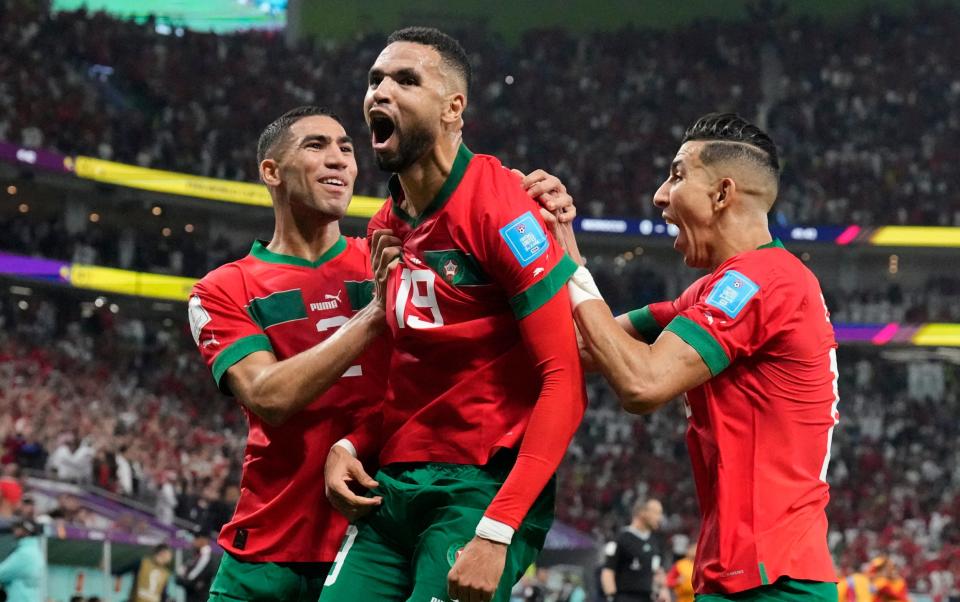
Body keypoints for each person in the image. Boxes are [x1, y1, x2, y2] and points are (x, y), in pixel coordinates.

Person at [190, 105, 573, 600]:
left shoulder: (397, 251)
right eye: (316, 146)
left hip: (384, 534)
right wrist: (376, 310)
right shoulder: (224, 288)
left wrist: (547, 222)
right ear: (271, 172)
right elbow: (268, 396)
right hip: (267, 551)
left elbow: (500, 336)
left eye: (347, 149)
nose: (339, 161)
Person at [322, 26, 586, 602]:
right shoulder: (382, 229)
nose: (379, 92)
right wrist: (351, 445)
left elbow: (565, 380)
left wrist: (497, 530)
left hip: (478, 490)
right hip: (392, 488)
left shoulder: (504, 208)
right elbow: (407, 378)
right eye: (374, 80)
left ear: (453, 109)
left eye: (405, 80)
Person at [558, 113, 839, 600]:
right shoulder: (714, 292)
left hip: (772, 581)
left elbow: (642, 384)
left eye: (678, 174)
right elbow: (587, 347)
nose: (660, 195)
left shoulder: (762, 281)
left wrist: (569, 265)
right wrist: (546, 248)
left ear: (723, 194)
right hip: (742, 572)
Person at [601, 498, 667, 602]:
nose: (660, 518)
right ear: (642, 512)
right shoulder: (621, 538)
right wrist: (611, 597)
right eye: (656, 512)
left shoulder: (655, 541)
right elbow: (608, 571)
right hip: (626, 597)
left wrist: (663, 590)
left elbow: (658, 570)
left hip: (649, 598)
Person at [0, 518, 44, 602]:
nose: (15, 530)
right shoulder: (34, 550)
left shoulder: (25, 553)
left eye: (18, 528)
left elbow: (1, 573)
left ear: (26, 532)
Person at [176, 531, 216, 602]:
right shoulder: (196, 555)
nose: (193, 541)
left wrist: (182, 580)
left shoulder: (206, 558)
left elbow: (192, 581)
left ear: (204, 540)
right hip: (191, 597)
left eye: (196, 538)